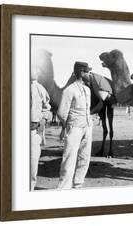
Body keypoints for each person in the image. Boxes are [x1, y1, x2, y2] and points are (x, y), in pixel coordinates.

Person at [57, 61, 93, 189]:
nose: (89, 74)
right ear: (81, 72)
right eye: (87, 71)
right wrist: (68, 126)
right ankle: (64, 188)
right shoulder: (69, 90)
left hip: (87, 127)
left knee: (85, 157)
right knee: (69, 158)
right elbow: (62, 112)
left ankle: (78, 184)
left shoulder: (88, 90)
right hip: (74, 128)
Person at [30, 65, 52, 191]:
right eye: (34, 68)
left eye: (38, 69)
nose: (37, 72)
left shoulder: (40, 89)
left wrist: (44, 118)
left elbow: (47, 108)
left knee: (32, 167)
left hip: (32, 132)